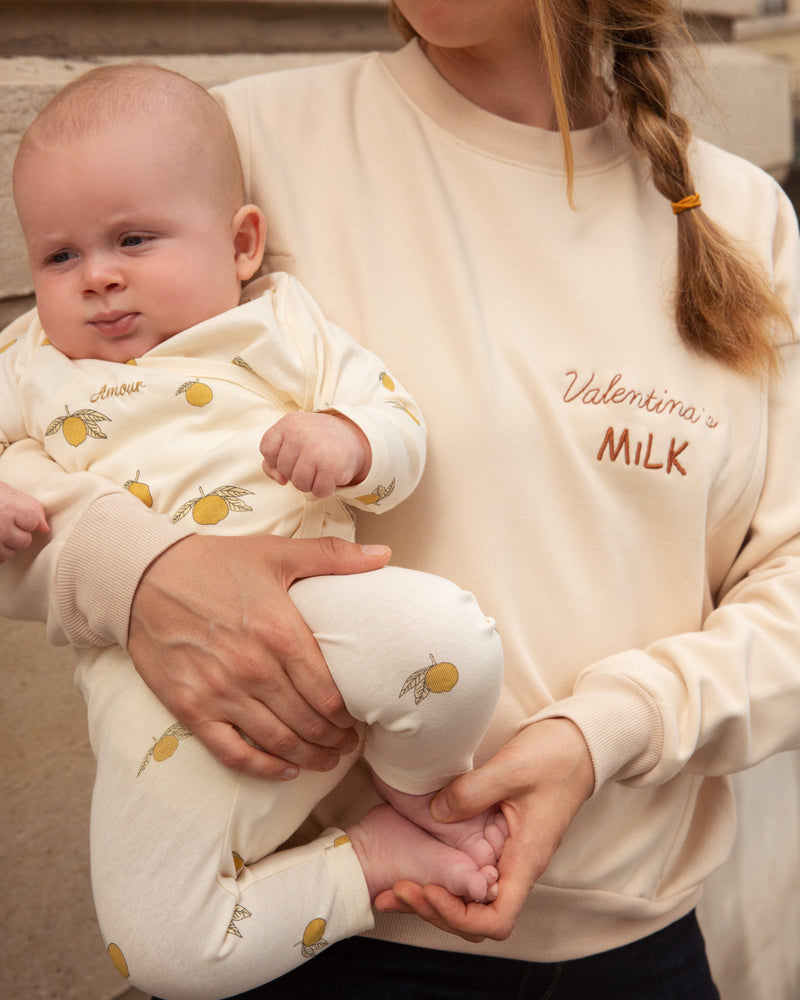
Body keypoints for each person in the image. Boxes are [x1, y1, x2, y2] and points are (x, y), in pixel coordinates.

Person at [2, 0, 800, 995]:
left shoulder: (739, 214)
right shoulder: (239, 140)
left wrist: (602, 735)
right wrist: (138, 571)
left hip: (638, 953)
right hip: (321, 944)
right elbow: (60, 427)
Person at [0, 64, 506, 1000]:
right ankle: (369, 864)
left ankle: (417, 789)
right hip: (155, 701)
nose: (98, 276)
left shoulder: (283, 327)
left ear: (241, 244)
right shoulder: (30, 361)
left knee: (454, 647)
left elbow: (398, 422)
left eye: (134, 239)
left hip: (322, 618)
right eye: (59, 257)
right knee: (161, 951)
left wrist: (347, 440)